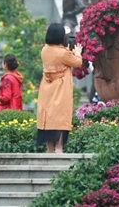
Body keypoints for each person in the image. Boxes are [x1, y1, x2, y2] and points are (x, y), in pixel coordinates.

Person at [36, 23, 83, 153]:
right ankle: (59, 148)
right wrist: (77, 53)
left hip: (47, 88)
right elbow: (77, 63)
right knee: (60, 117)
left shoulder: (44, 50)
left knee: (48, 117)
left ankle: (50, 149)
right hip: (60, 89)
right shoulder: (63, 54)